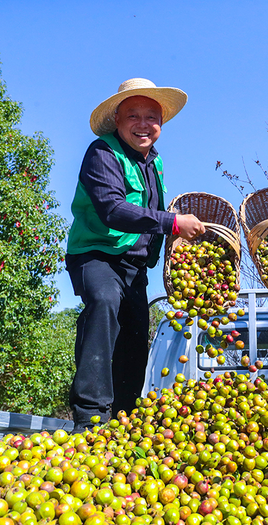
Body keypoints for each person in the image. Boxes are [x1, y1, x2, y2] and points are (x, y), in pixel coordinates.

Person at [65, 78, 205, 433]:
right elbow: (113, 209)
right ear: (117, 119)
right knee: (104, 303)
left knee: (134, 335)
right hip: (97, 255)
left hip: (134, 265)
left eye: (151, 117)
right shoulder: (102, 153)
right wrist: (173, 223)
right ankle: (90, 416)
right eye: (134, 116)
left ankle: (123, 418)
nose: (143, 124)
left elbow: (152, 213)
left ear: (161, 123)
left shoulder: (153, 163)